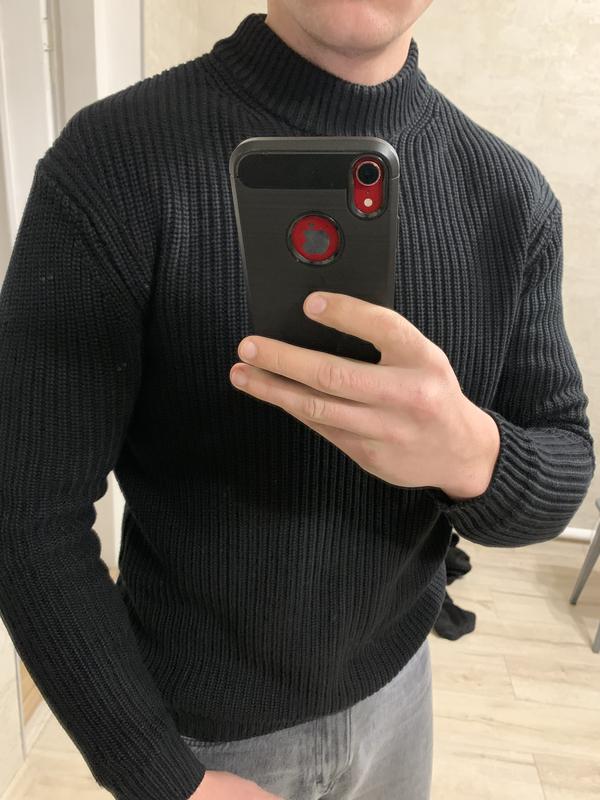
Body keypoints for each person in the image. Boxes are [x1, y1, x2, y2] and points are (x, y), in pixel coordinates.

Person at [0, 1, 595, 799]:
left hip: (400, 693)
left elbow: (565, 462)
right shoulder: (110, 165)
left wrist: (473, 453)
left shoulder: (511, 199)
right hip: (198, 733)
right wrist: (162, 778)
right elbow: (25, 511)